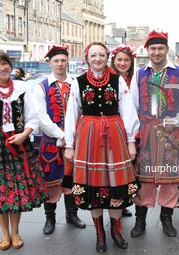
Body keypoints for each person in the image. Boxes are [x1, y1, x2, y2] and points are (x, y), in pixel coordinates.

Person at [63, 42, 140, 252]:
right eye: (93, 55)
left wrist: (131, 140)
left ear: (107, 57)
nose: (98, 59)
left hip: (114, 135)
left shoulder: (118, 81)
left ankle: (116, 230)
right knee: (93, 187)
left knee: (116, 184)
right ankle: (100, 233)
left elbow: (128, 111)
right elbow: (72, 113)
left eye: (102, 55)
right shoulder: (78, 82)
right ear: (87, 58)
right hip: (88, 136)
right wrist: (69, 144)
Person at [0, 50, 48, 250]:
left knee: (16, 190)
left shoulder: (21, 89)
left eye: (4, 64)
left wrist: (24, 135)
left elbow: (32, 118)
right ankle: (4, 234)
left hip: (19, 145)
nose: (2, 68)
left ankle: (15, 232)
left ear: (10, 66)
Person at [130, 30, 179, 237]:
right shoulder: (139, 74)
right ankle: (140, 220)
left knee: (170, 180)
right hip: (146, 133)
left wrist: (176, 121)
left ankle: (166, 219)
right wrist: (133, 137)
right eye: (153, 48)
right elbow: (133, 107)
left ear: (167, 49)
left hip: (171, 135)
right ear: (147, 50)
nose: (156, 52)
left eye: (160, 48)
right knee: (144, 179)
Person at [33, 45, 86, 235]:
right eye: (56, 61)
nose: (60, 64)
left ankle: (72, 215)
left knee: (72, 179)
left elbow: (82, 111)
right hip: (51, 142)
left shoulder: (77, 83)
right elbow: (41, 117)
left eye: (63, 60)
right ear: (50, 63)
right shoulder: (42, 86)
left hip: (76, 140)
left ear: (68, 62)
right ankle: (50, 218)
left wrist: (72, 136)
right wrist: (62, 135)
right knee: (52, 181)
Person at [110, 43, 137, 217]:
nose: (122, 63)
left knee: (129, 168)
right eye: (119, 59)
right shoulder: (109, 78)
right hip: (113, 128)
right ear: (113, 61)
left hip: (131, 128)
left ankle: (123, 202)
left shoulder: (133, 78)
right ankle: (114, 202)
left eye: (126, 60)